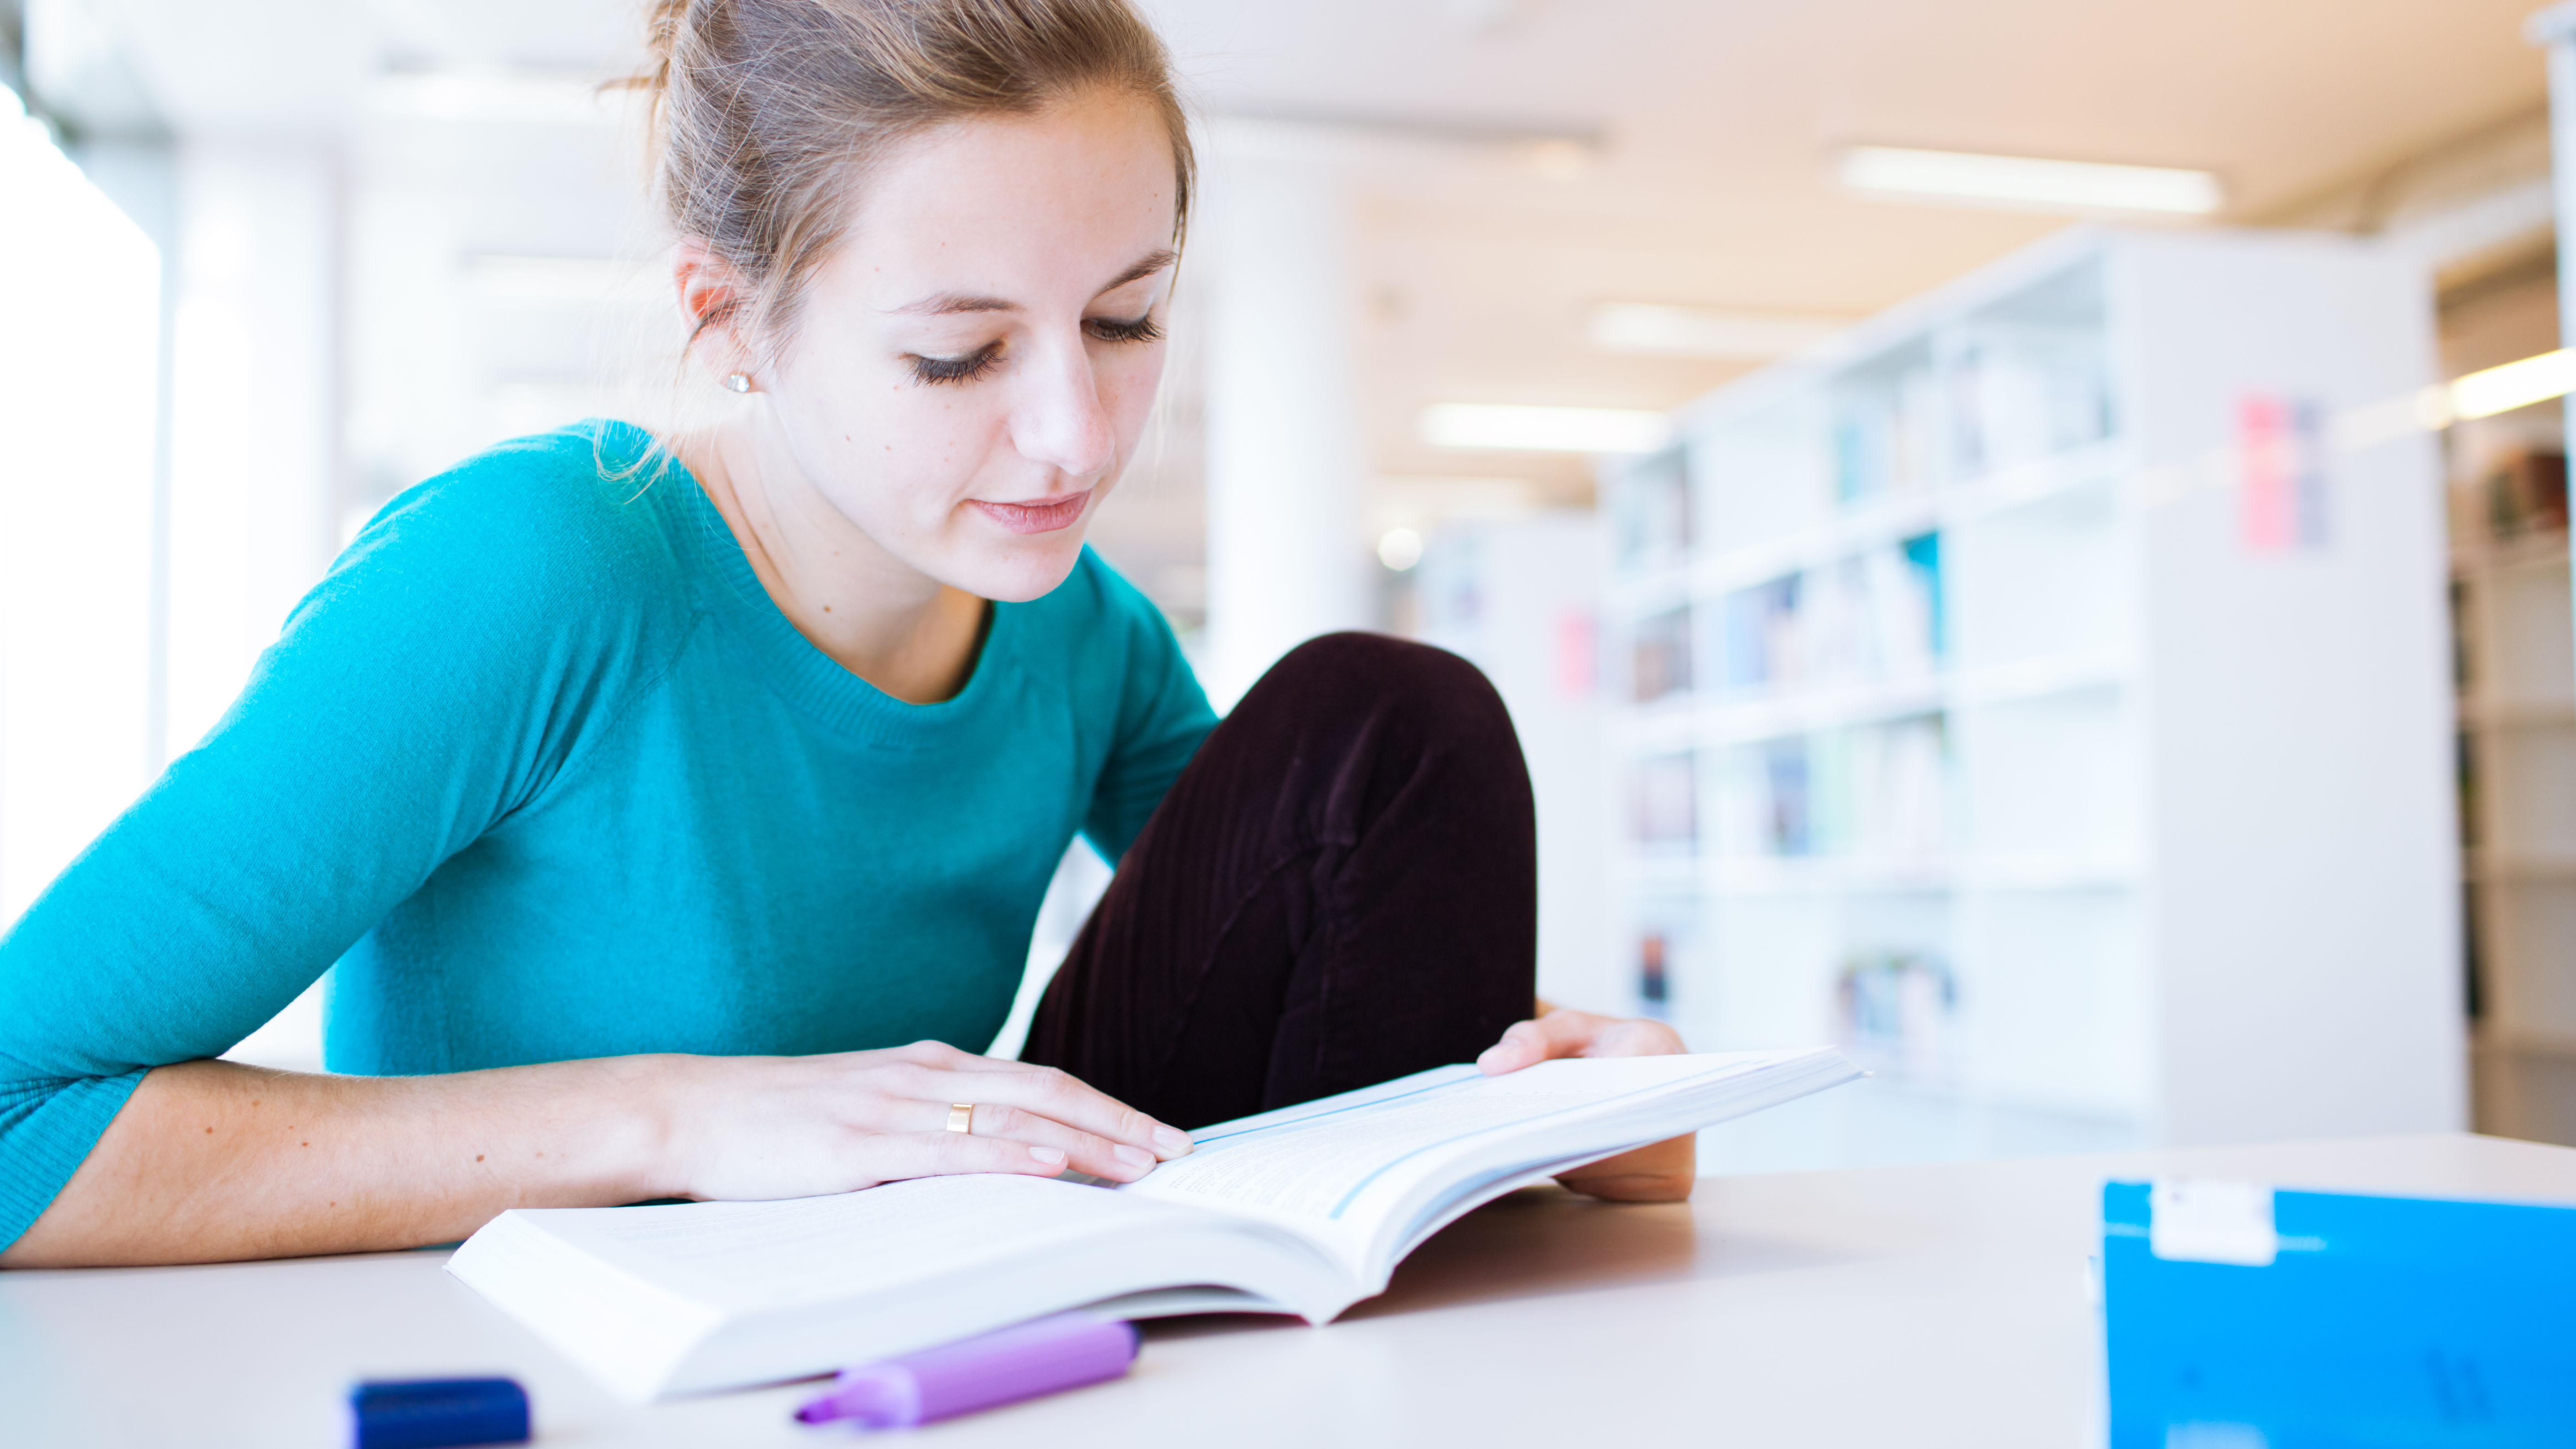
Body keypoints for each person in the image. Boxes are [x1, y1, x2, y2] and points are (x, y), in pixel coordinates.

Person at [0, 0, 1688, 1271]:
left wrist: (1538, 1099)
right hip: (561, 1352)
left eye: (1126, 319)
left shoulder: (1077, 627)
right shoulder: (532, 569)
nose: (1077, 437)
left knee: (1393, 724)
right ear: (729, 320)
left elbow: (1314, 965)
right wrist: (682, 1116)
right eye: (958, 355)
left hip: (919, 1319)